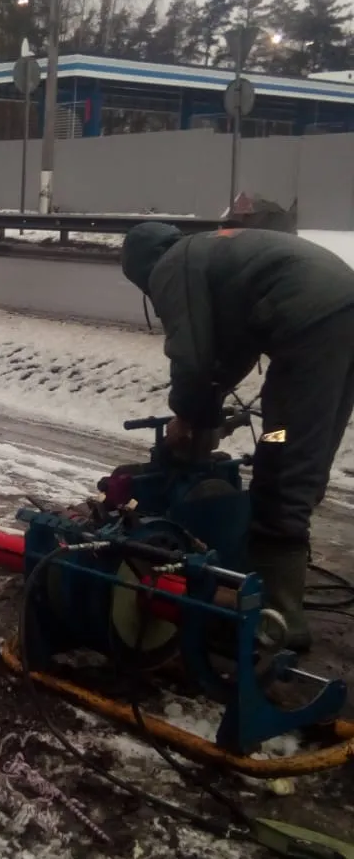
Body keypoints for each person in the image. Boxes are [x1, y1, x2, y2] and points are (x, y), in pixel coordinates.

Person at [121, 222, 354, 650]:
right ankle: (276, 576)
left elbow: (191, 356)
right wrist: (204, 407)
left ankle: (276, 621)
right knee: (303, 448)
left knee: (281, 454)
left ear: (140, 269)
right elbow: (232, 352)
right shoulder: (213, 252)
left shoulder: (171, 266)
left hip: (311, 327)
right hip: (339, 314)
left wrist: (186, 418)